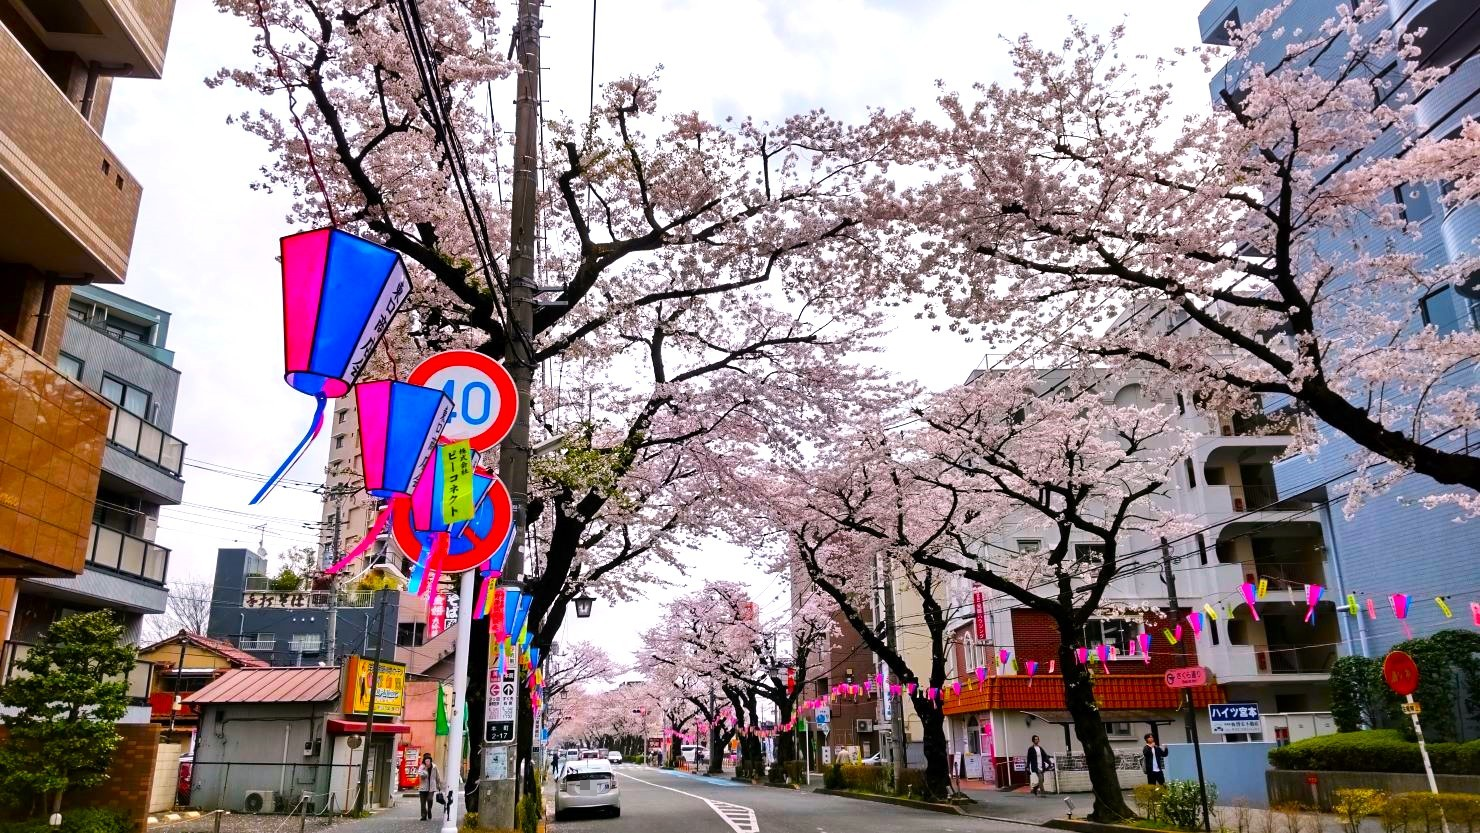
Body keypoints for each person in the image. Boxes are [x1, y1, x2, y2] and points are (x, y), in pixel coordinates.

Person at [416, 753, 443, 821]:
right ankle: (423, 816)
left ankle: (429, 810)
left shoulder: (434, 766)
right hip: (423, 787)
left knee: (430, 799)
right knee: (422, 803)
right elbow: (419, 773)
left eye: (428, 760)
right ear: (424, 761)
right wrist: (424, 771)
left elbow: (437, 776)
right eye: (426, 760)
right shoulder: (422, 766)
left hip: (432, 787)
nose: (427, 761)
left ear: (431, 760)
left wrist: (438, 784)